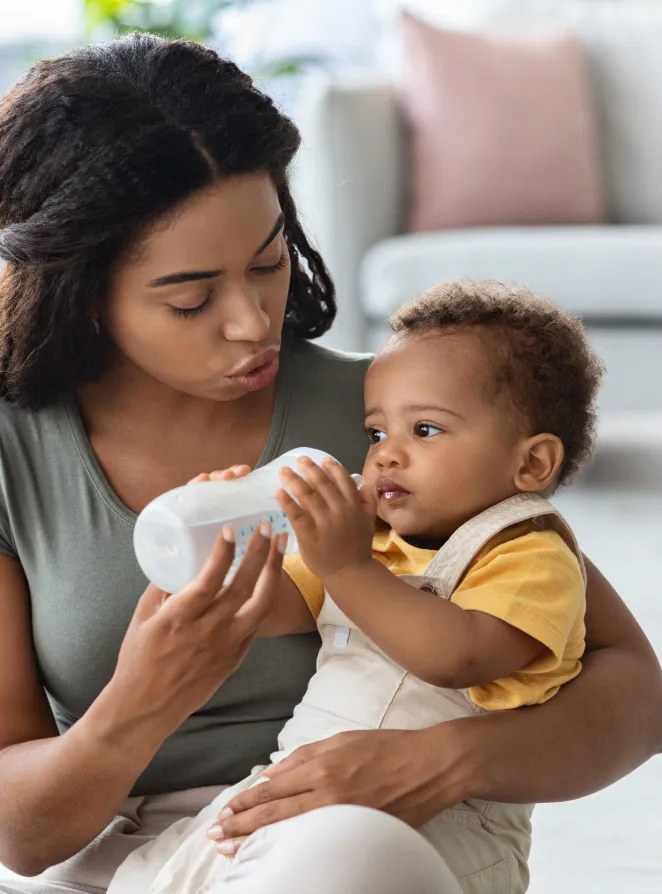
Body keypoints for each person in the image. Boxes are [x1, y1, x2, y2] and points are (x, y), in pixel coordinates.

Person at [0, 33, 662, 894]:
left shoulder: (402, 424)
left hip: (358, 852)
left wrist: (444, 761)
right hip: (142, 871)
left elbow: (636, 699)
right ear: (80, 290)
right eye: (191, 297)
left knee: (350, 856)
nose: (251, 321)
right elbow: (17, 833)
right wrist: (145, 699)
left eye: (269, 262)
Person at [108, 281, 603, 894]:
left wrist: (345, 567)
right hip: (298, 790)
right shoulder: (371, 543)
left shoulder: (532, 553)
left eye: (425, 430)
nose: (386, 456)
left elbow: (458, 656)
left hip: (441, 832)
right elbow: (263, 610)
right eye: (375, 434)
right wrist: (227, 541)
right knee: (163, 870)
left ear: (530, 464)